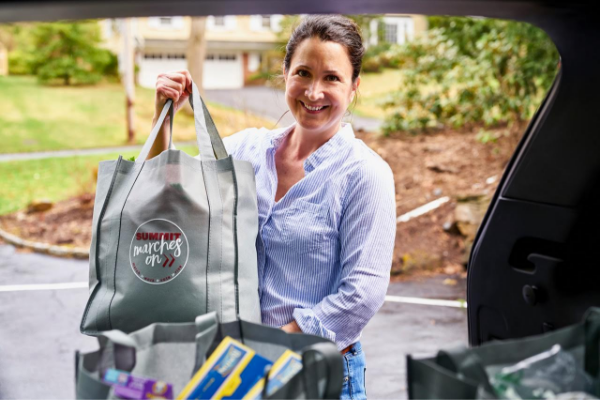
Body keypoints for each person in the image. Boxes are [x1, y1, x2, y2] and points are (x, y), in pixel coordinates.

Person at [150, 15, 396, 400]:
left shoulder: (365, 175)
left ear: (354, 87)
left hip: (314, 370)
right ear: (284, 74)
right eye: (303, 72)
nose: (314, 92)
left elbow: (360, 296)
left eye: (331, 78)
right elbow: (168, 196)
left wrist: (270, 349)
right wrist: (163, 117)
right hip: (237, 365)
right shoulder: (245, 150)